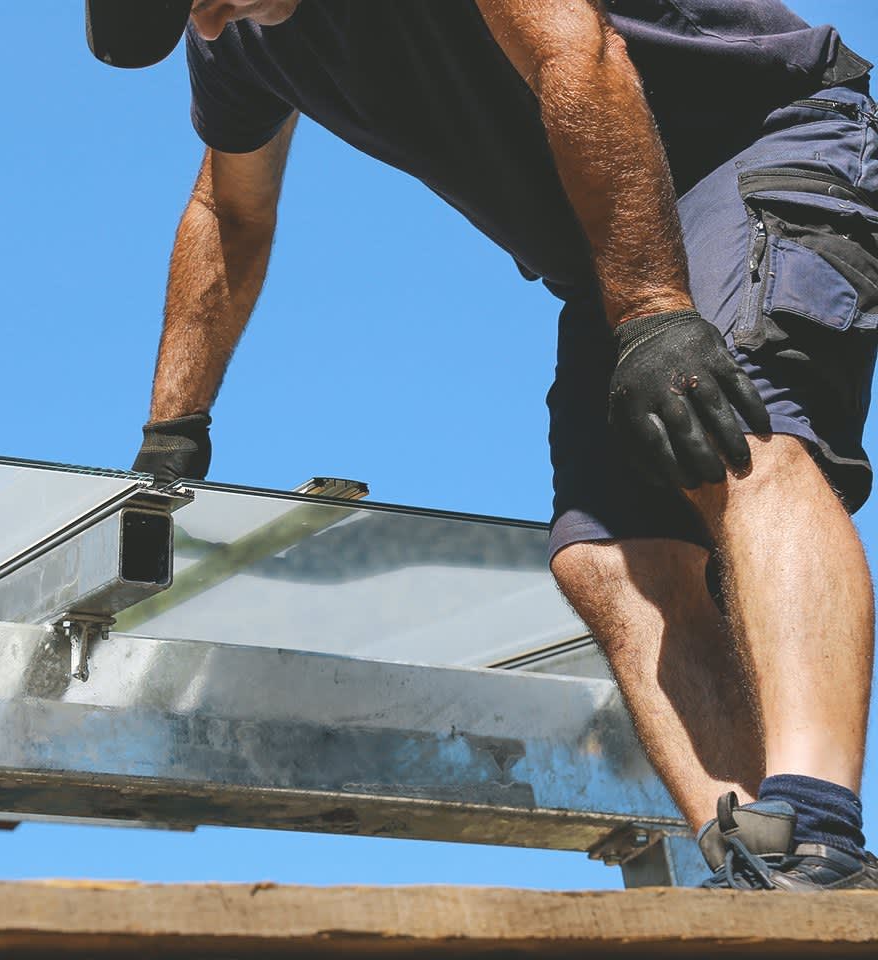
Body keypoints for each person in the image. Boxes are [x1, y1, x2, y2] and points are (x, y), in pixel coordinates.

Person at [86, 0, 878, 890]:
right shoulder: (231, 39)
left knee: (731, 442)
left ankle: (817, 828)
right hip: (607, 241)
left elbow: (578, 56)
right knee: (608, 559)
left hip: (754, 141)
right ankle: (752, 868)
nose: (206, 19)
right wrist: (172, 431)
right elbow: (229, 208)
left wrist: (655, 310)